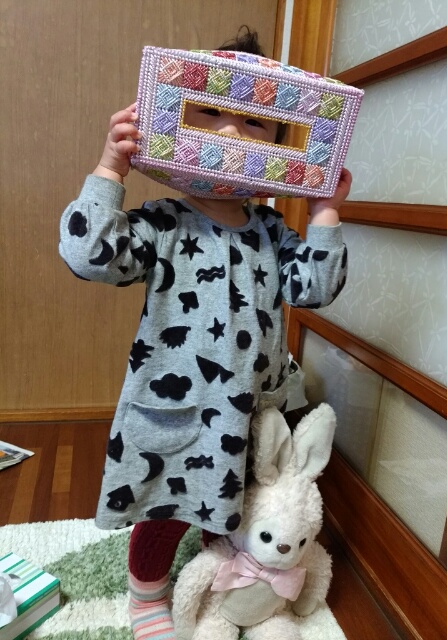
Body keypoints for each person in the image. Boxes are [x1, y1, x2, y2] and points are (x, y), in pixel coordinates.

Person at [59, 27, 351, 640]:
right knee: (166, 508)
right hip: (178, 409)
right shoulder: (162, 222)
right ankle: (146, 595)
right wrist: (110, 166)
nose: (231, 133)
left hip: (255, 409)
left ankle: (230, 580)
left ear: (279, 145)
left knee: (237, 505)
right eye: (211, 114)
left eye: (255, 123)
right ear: (176, 122)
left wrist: (325, 209)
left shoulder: (271, 230)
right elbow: (89, 254)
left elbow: (314, 288)